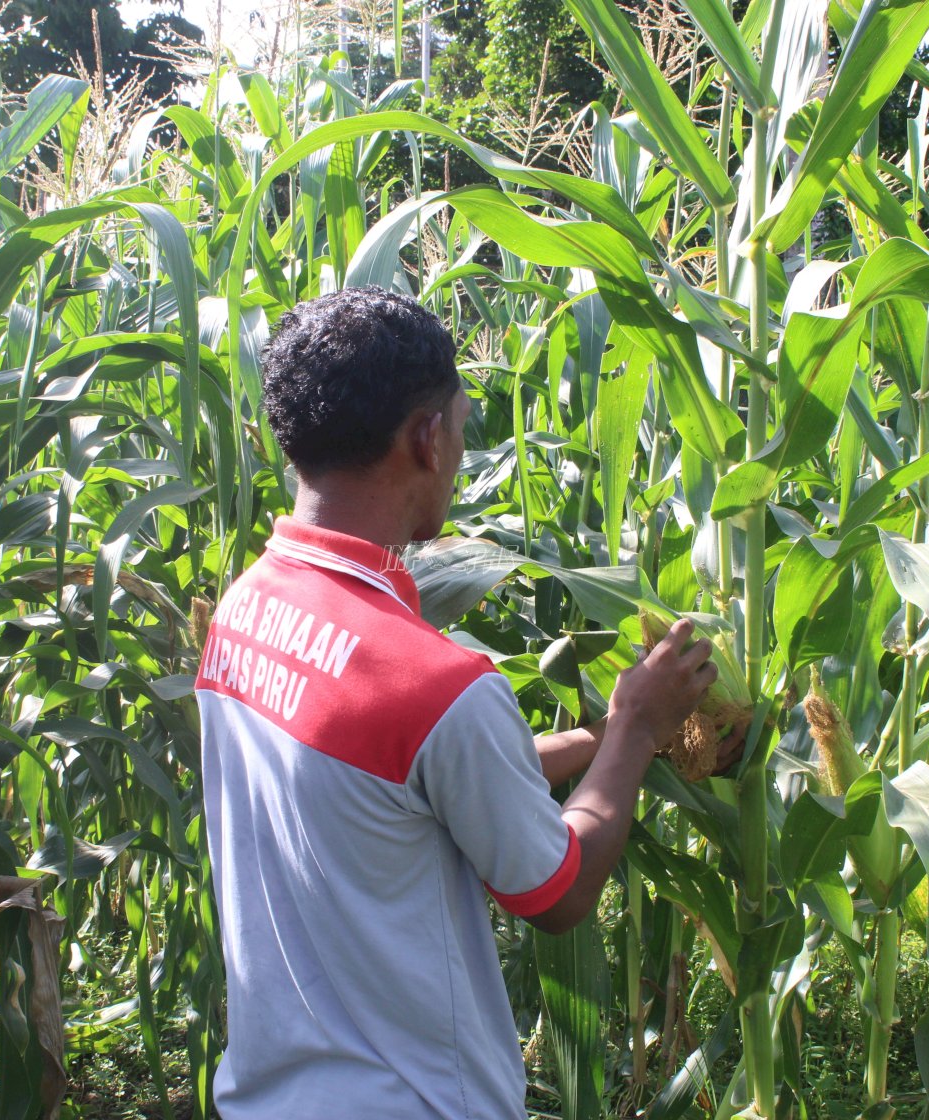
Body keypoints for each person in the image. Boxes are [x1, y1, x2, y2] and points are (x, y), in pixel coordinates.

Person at [193, 286, 719, 1119]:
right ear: (427, 438)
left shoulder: (244, 612)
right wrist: (634, 731)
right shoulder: (434, 686)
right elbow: (558, 890)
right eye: (463, 425)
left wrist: (595, 739)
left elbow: (397, 798)